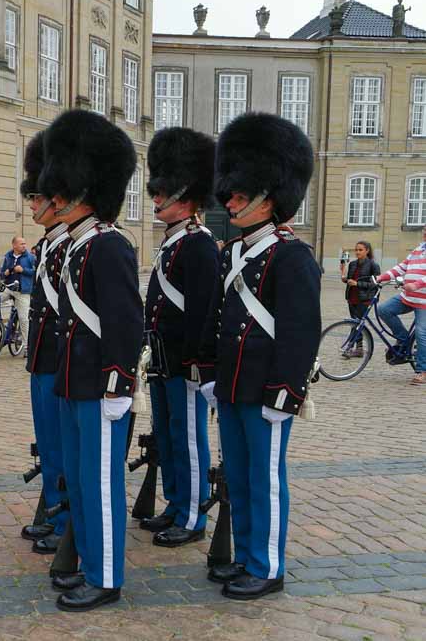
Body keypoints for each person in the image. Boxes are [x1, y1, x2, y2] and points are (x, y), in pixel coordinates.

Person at [198, 112, 320, 601]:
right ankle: (247, 555)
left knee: (266, 480)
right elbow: (219, 322)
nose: (229, 203)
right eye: (229, 195)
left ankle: (268, 565)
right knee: (241, 477)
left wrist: (286, 393)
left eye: (239, 196)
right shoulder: (232, 253)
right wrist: (210, 375)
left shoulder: (292, 257)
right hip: (232, 387)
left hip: (266, 390)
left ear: (269, 198)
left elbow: (300, 333)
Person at [38, 109, 143, 612]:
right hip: (72, 382)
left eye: (60, 190)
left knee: (101, 486)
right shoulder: (78, 246)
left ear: (84, 191)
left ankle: (106, 576)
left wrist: (118, 387)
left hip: (100, 389)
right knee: (81, 480)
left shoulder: (108, 246)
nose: (51, 198)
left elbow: (125, 325)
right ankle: (86, 562)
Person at [141, 127, 219, 548]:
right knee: (169, 435)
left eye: (161, 194)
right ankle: (175, 502)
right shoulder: (173, 243)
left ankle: (192, 516)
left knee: (189, 440)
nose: (155, 200)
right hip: (162, 359)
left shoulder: (200, 245)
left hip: (185, 362)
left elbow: (203, 312)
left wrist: (197, 362)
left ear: (184, 199)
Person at [19, 132, 71, 554]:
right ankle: (54, 511)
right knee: (49, 445)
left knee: (64, 446)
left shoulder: (70, 245)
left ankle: (67, 520)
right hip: (42, 357)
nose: (32, 206)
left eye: (38, 199)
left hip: (60, 359)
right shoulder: (48, 244)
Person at [372, 225, 426, 384]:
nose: (425, 233)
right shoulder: (419, 249)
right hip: (407, 296)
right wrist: (382, 277)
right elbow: (402, 267)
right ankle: (404, 340)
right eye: (424, 231)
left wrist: (416, 285)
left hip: (423, 302)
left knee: (421, 333)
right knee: (384, 310)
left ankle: (422, 370)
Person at [0, 236, 35, 345]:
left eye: (24, 243)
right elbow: (2, 274)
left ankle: (27, 346)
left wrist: (23, 270)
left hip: (23, 291)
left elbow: (36, 272)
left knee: (23, 319)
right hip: (8, 288)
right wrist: (5, 273)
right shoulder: (8, 256)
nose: (24, 246)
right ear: (14, 245)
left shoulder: (30, 257)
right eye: (21, 244)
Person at [340, 241, 380, 357]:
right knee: (356, 324)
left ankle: (349, 347)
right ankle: (359, 349)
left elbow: (375, 284)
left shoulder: (373, 265)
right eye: (356, 250)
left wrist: (358, 284)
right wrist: (345, 278)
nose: (357, 252)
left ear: (367, 250)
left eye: (360, 250)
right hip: (352, 297)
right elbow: (350, 280)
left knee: (356, 324)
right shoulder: (352, 264)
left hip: (365, 299)